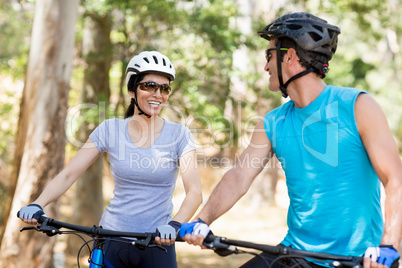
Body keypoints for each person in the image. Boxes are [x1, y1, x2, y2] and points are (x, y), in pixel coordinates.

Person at [180, 12, 402, 268]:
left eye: (269, 56)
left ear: (290, 57)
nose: (265, 66)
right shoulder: (272, 123)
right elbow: (240, 176)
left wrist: (389, 245)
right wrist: (202, 220)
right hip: (295, 254)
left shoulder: (357, 106)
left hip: (358, 258)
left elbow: (394, 178)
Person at [18, 51, 203, 267]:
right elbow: (69, 174)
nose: (158, 94)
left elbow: (195, 193)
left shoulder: (179, 135)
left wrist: (174, 225)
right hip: (111, 240)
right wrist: (38, 203)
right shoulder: (110, 130)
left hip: (158, 243)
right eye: (150, 86)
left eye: (164, 88)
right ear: (132, 90)